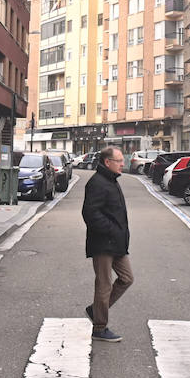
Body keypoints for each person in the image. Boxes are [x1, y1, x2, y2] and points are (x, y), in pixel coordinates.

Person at [82, 146, 132, 343]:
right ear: (107, 162)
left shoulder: (111, 180)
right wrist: (111, 230)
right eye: (119, 161)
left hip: (117, 243)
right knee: (103, 285)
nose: (123, 164)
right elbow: (90, 214)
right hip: (103, 243)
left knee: (127, 278)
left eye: (122, 160)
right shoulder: (97, 183)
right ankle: (99, 327)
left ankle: (96, 310)